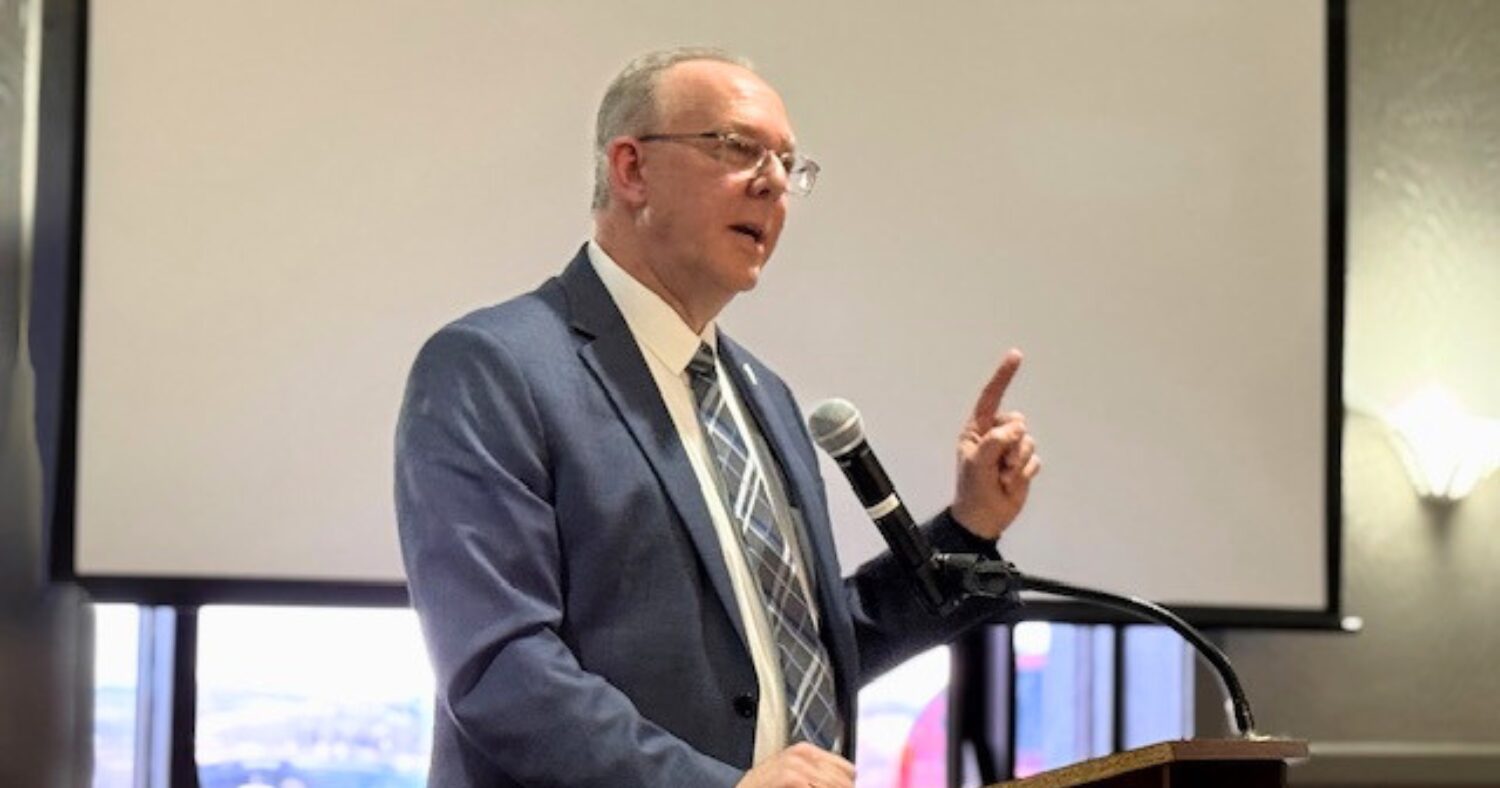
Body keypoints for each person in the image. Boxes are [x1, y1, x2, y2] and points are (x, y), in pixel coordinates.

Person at [395, 47, 1040, 788]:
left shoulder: (764, 396)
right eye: (737, 148)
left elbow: (809, 650)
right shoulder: (494, 367)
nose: (773, 182)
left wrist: (969, 527)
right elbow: (499, 667)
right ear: (631, 169)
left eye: (788, 164)